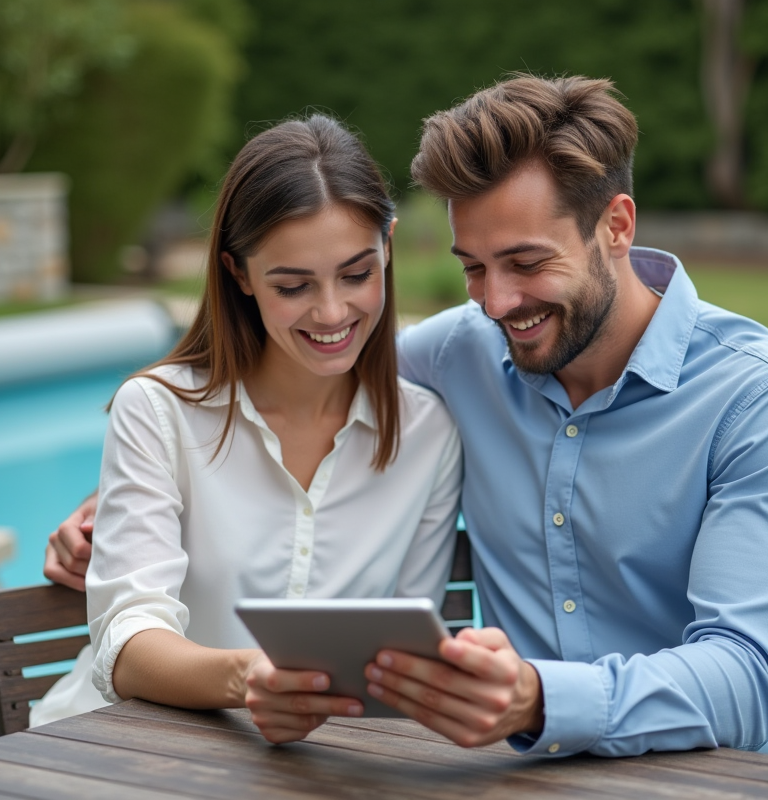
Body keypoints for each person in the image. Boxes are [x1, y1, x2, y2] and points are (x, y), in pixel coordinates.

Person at [49, 75, 768, 760]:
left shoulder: (764, 403)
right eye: (473, 268)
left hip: (723, 777)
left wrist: (539, 698)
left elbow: (746, 679)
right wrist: (116, 508)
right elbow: (299, 377)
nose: (497, 304)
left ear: (618, 227)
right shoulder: (462, 356)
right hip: (522, 776)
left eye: (528, 263)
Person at [32, 114, 464, 745]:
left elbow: (401, 650)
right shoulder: (157, 411)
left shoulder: (428, 434)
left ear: (388, 245)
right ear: (239, 275)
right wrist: (248, 678)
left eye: (357, 274)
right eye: (293, 286)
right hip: (127, 752)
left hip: (317, 767)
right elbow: (125, 643)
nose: (332, 312)